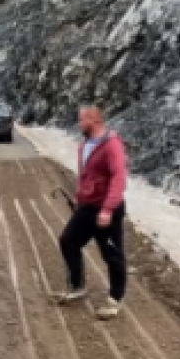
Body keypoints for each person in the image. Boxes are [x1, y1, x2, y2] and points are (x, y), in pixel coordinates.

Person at [57, 106, 128, 320]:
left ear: (94, 120)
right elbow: (86, 178)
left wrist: (107, 210)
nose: (79, 124)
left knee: (111, 255)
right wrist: (80, 199)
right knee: (68, 241)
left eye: (81, 120)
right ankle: (77, 286)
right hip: (88, 207)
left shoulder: (112, 145)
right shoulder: (85, 145)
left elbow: (119, 179)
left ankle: (115, 299)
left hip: (109, 209)